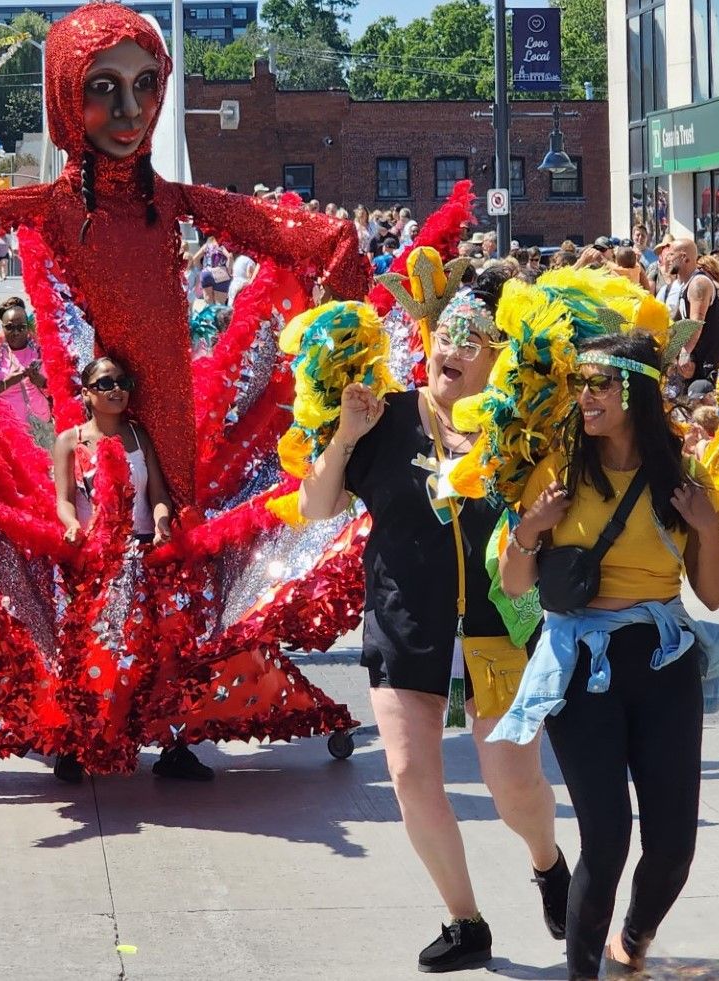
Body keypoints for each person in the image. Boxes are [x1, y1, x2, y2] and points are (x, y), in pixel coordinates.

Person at [299, 270, 568, 974]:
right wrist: (345, 437)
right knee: (410, 773)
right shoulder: (383, 414)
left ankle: (548, 863)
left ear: (497, 355)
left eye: (471, 339)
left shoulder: (519, 431)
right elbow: (315, 506)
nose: (452, 347)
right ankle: (465, 919)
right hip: (402, 621)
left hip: (499, 628)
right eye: (445, 333)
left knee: (513, 785)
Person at [499, 330, 719, 980]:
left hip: (664, 666)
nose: (586, 396)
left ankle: (633, 934)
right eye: (581, 383)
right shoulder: (560, 468)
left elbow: (711, 593)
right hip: (582, 668)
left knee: (672, 848)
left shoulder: (681, 477)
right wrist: (529, 530)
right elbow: (516, 584)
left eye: (600, 383)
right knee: (604, 842)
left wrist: (709, 527)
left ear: (637, 389)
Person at [52, 356, 213, 783]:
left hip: (145, 558)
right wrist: (72, 527)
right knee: (91, 654)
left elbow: (158, 495)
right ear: (86, 393)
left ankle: (174, 748)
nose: (116, 389)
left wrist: (161, 525)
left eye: (124, 381)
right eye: (105, 383)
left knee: (165, 654)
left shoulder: (139, 437)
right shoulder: (69, 441)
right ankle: (75, 745)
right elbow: (64, 499)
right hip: (95, 562)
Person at [0, 297, 53, 448]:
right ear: (2, 327)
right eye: (10, 327)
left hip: (42, 427)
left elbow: (57, 388)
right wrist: (8, 382)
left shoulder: (40, 351)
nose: (16, 332)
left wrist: (41, 381)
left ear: (27, 327)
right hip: (9, 430)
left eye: (21, 327)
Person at [672, 238, 719, 382]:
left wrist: (685, 353)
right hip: (700, 363)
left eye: (670, 255)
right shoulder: (685, 285)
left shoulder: (698, 283)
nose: (666, 259)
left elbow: (696, 323)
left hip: (713, 365)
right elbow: (678, 324)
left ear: (683, 257)